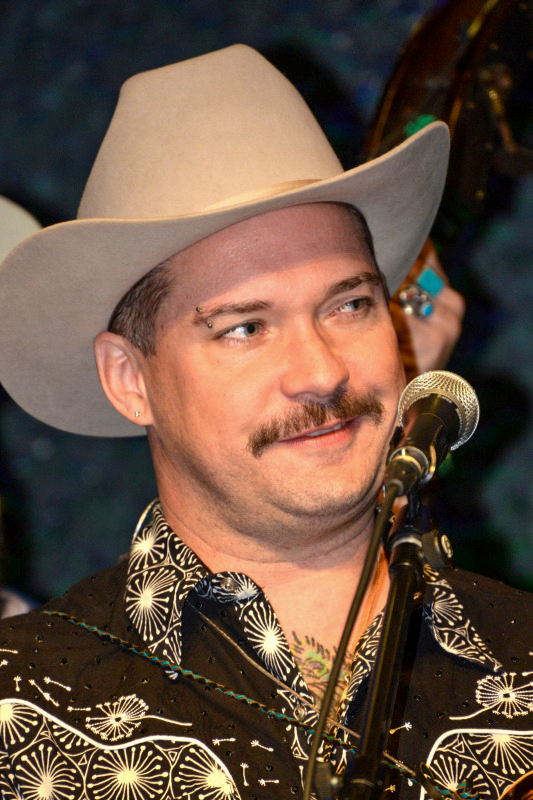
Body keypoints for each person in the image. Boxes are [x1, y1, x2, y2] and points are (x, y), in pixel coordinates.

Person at [0, 45, 528, 800]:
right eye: (244, 327)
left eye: (349, 305)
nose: (321, 372)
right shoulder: (17, 707)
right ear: (129, 378)